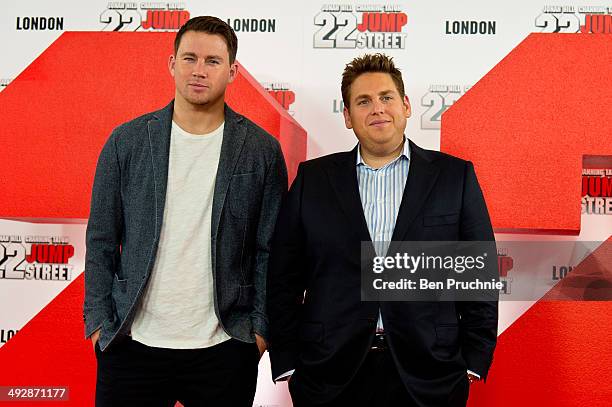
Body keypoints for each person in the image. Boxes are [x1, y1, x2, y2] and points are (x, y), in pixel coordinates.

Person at [267, 53, 497, 406]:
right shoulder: (313, 180)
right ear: (347, 116)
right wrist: (287, 362)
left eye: (386, 97)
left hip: (430, 374)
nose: (377, 109)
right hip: (329, 375)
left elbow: (477, 274)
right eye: (363, 101)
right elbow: (283, 278)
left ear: (405, 106)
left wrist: (474, 360)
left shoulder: (455, 177)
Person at [83, 15, 287, 406]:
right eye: (189, 58)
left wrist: (258, 330)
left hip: (225, 348)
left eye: (212, 61)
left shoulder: (262, 150)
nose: (199, 70)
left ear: (232, 72)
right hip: (131, 343)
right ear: (172, 64)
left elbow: (269, 250)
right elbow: (102, 238)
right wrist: (98, 323)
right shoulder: (127, 141)